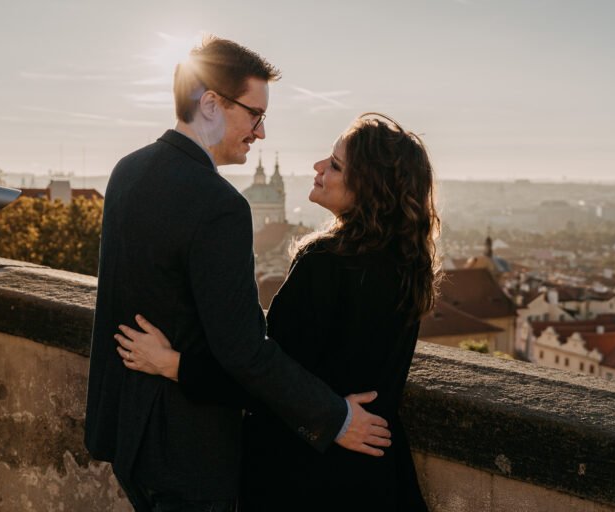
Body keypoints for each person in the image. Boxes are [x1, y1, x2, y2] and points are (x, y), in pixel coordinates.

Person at [84, 35, 392, 512]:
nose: (260, 132)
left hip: (128, 433)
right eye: (255, 115)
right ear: (210, 104)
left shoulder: (128, 169)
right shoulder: (220, 204)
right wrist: (335, 417)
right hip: (189, 452)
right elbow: (243, 350)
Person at [116, 112, 440, 511]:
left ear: (369, 187)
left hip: (304, 476)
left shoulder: (325, 263)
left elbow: (266, 376)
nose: (319, 167)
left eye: (335, 165)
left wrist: (174, 365)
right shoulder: (409, 264)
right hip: (377, 475)